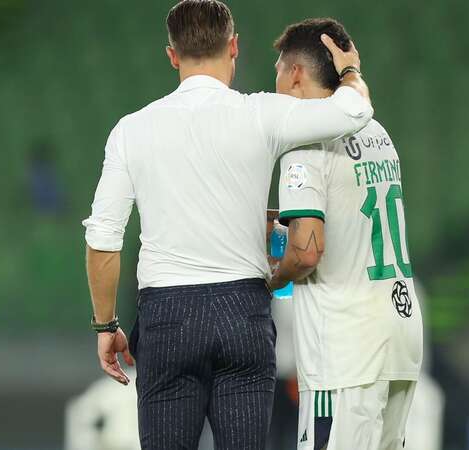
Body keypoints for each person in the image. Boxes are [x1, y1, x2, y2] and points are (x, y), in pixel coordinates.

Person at [82, 1, 374, 448]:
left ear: (173, 56)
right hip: (243, 312)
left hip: (167, 317)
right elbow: (354, 112)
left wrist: (107, 327)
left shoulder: (131, 130)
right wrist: (350, 70)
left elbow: (104, 239)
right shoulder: (261, 113)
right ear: (234, 47)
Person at [268, 18, 423, 450]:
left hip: (345, 350)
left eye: (279, 69)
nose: (276, 80)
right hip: (401, 334)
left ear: (295, 73)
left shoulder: (305, 143)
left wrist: (269, 278)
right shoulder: (377, 133)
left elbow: (307, 251)